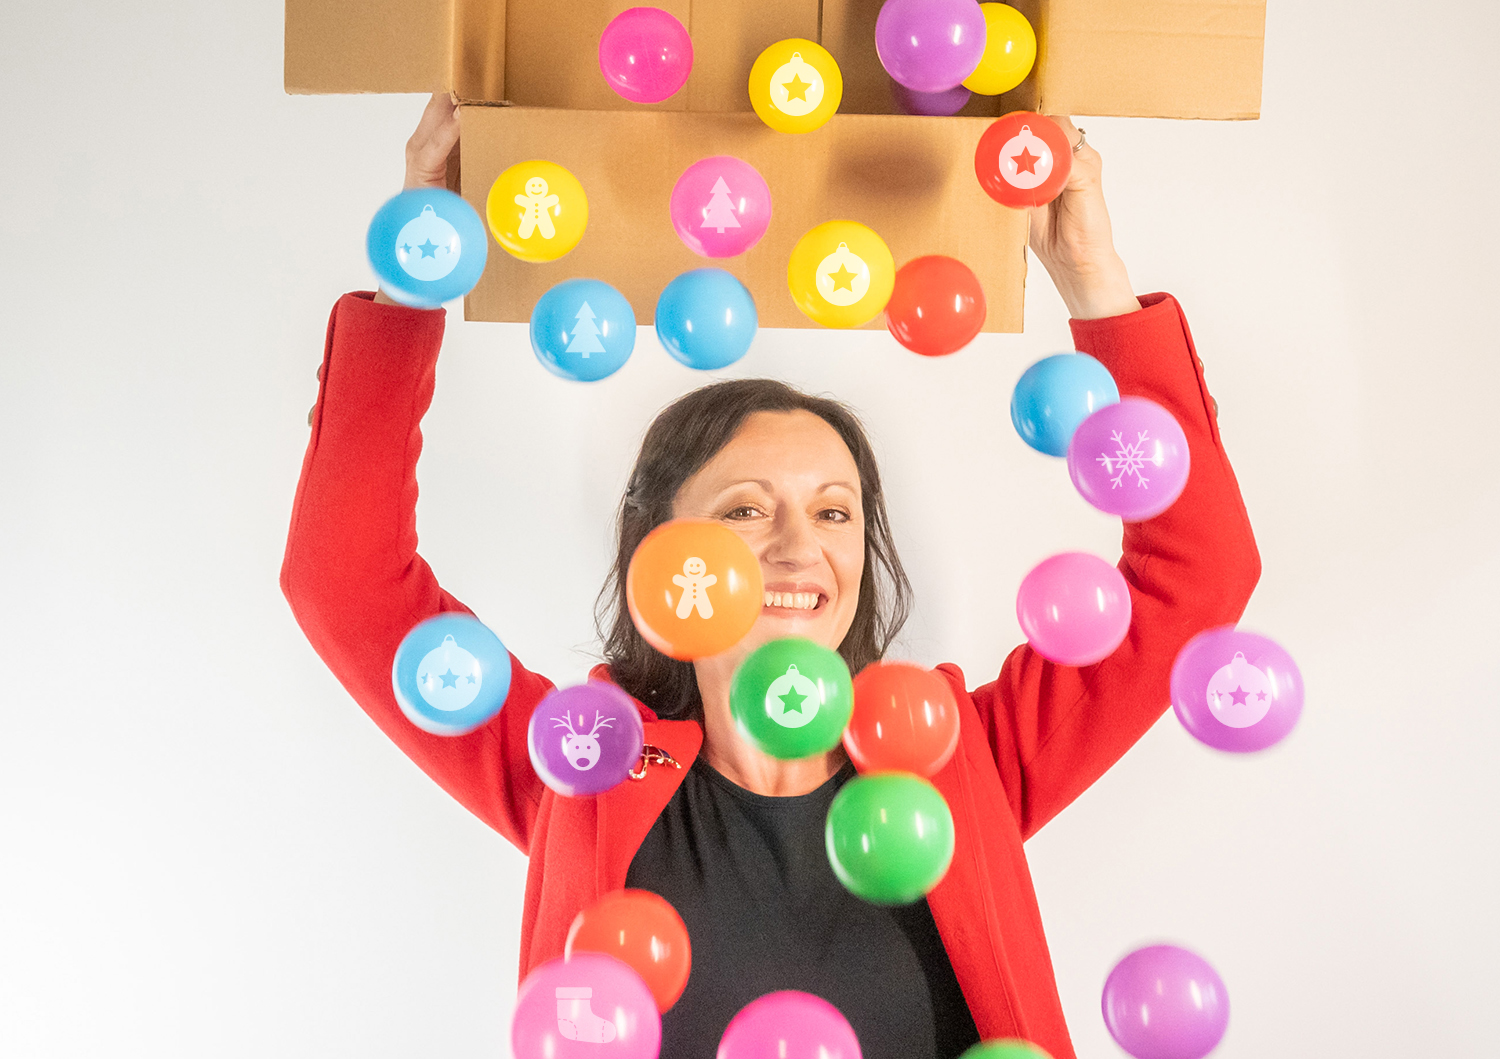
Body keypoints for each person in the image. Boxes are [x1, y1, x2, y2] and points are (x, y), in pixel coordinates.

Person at [281, 92, 1260, 1059]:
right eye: (745, 509)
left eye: (834, 512)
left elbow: (1199, 582)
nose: (800, 546)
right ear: (655, 552)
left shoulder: (968, 764)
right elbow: (347, 583)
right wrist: (419, 266)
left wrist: (1094, 280)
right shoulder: (578, 765)